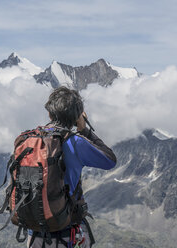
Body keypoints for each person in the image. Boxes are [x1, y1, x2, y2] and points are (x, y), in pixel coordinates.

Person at [27, 86, 117, 248]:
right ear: (76, 116)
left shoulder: (31, 140)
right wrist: (84, 129)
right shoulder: (75, 142)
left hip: (34, 233)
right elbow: (109, 160)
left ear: (49, 113)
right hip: (64, 233)